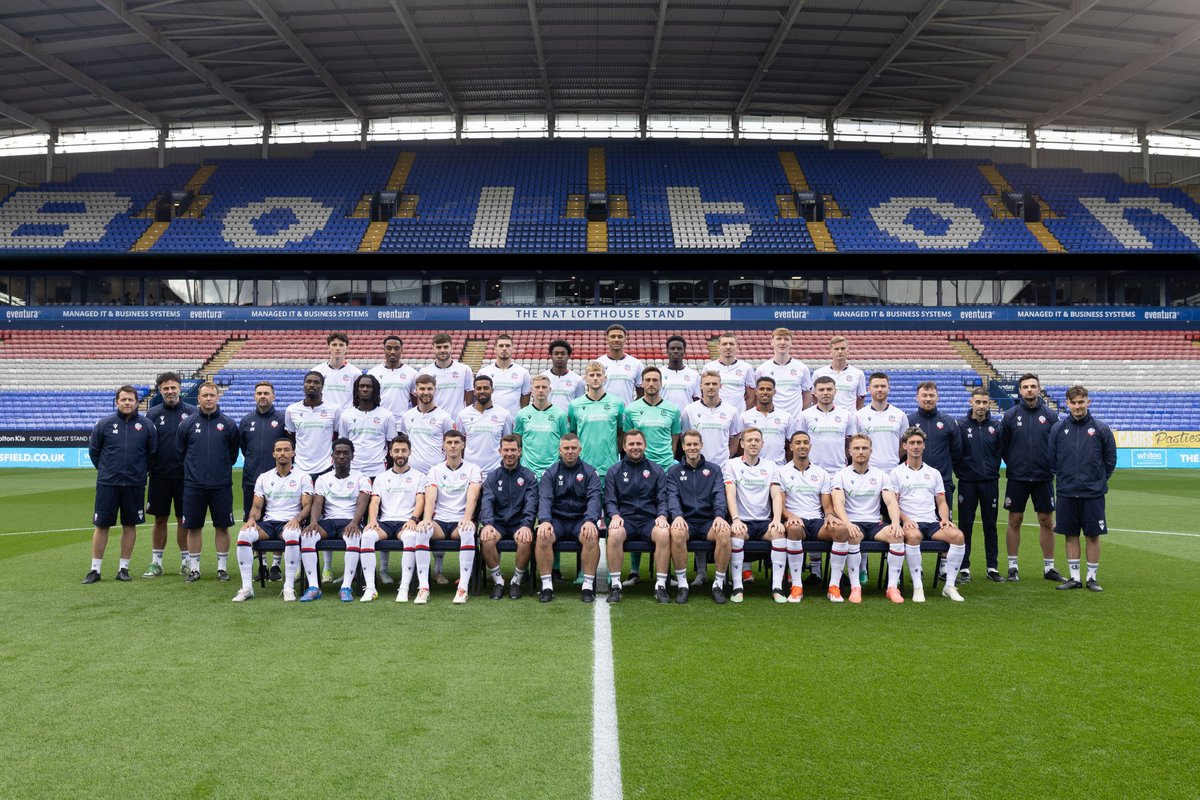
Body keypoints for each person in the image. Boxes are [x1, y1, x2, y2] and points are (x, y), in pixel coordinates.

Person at [83, 385, 156, 584]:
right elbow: (94, 452)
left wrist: (139, 472)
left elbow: (152, 454)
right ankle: (95, 569)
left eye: (130, 400)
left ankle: (123, 568)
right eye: (123, 400)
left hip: (134, 484)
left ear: (136, 403)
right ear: (117, 402)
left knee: (129, 525)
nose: (126, 403)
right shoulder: (104, 424)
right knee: (102, 524)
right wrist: (107, 470)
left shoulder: (147, 426)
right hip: (108, 483)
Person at [1048, 386, 1116, 592]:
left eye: (1081, 402)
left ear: (1088, 402)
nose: (1077, 406)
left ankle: (1092, 577)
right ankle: (1075, 577)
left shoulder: (1101, 429)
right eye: (1073, 402)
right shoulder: (1058, 429)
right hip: (1067, 492)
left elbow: (1110, 460)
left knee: (1092, 535)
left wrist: (1097, 480)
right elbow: (1052, 459)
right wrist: (1066, 478)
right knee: (1070, 535)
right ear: (1067, 404)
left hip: (1092, 493)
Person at [889, 427, 967, 602]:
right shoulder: (896, 473)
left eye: (919, 443)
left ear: (924, 446)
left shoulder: (933, 473)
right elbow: (892, 503)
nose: (915, 446)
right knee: (914, 536)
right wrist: (905, 520)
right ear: (905, 446)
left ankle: (949, 586)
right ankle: (918, 587)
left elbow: (941, 501)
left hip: (931, 523)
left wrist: (945, 520)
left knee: (958, 536)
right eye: (911, 443)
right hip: (910, 523)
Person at [620, 365, 681, 587]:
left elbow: (674, 440)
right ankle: (634, 571)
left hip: (664, 469)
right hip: (638, 469)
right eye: (648, 380)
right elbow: (627, 439)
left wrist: (666, 462)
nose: (652, 384)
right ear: (642, 383)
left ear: (661, 383)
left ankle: (668, 572)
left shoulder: (673, 410)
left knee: (668, 519)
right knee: (637, 513)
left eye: (655, 380)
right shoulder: (631, 409)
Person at [1000, 373, 1064, 582]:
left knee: (1046, 520)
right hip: (1017, 477)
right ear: (1020, 390)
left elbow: (1056, 446)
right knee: (1014, 519)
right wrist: (1016, 464)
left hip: (1043, 477)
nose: (1029, 390)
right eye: (1025, 386)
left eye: (1033, 386)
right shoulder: (1010, 416)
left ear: (1039, 389)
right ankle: (1012, 566)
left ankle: (1049, 567)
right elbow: (1004, 446)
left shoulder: (1051, 416)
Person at [828, 434, 906, 604]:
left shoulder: (881, 475)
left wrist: (895, 523)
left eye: (864, 448)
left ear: (871, 451)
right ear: (849, 451)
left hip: (874, 523)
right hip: (853, 522)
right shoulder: (840, 475)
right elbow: (838, 503)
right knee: (853, 535)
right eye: (856, 448)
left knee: (897, 535)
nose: (861, 451)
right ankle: (856, 587)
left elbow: (891, 501)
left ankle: (892, 587)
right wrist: (847, 523)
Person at [232, 438, 312, 602]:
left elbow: (307, 505)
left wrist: (297, 519)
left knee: (291, 534)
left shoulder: (303, 477)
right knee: (244, 535)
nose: (282, 453)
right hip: (269, 523)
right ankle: (247, 587)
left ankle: (288, 587)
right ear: (274, 453)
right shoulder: (264, 477)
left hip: (290, 522)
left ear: (293, 452)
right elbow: (256, 507)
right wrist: (251, 520)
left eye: (286, 449)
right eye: (279, 450)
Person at [797, 374, 858, 579]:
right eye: (821, 390)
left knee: (840, 519)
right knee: (816, 518)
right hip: (812, 473)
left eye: (829, 389)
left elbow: (850, 444)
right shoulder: (805, 415)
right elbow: (799, 443)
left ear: (835, 391)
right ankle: (815, 569)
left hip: (837, 474)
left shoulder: (846, 416)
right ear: (814, 392)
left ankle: (848, 572)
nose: (825, 393)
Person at [177, 382, 239, 583]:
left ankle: (221, 569)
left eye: (212, 395)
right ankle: (194, 569)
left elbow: (232, 455)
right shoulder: (187, 424)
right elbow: (181, 453)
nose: (209, 398)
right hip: (194, 485)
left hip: (221, 485)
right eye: (205, 395)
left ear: (218, 397)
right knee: (193, 527)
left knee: (222, 527)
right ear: (199, 398)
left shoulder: (228, 424)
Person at [603, 430, 670, 603]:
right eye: (631, 444)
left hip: (650, 520)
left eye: (639, 444)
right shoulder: (614, 471)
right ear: (624, 447)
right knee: (615, 532)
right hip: (626, 520)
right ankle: (616, 586)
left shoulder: (656, 470)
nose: (635, 447)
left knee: (663, 533)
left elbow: (663, 498)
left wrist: (662, 515)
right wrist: (615, 515)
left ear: (645, 445)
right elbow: (609, 500)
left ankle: (661, 585)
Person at [666, 430, 733, 603]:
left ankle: (718, 584)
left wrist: (719, 516)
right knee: (677, 533)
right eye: (688, 444)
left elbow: (719, 495)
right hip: (686, 520)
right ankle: (682, 585)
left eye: (695, 444)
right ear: (683, 447)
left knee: (724, 532)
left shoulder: (714, 470)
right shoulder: (674, 471)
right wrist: (678, 516)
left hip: (708, 522)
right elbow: (672, 497)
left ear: (701, 445)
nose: (692, 447)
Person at [535, 434, 602, 603]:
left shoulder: (590, 472)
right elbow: (545, 499)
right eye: (566, 448)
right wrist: (545, 521)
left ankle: (587, 585)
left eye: (573, 448)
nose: (570, 451)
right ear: (560, 450)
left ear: (580, 450)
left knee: (592, 535)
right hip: (557, 520)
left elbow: (594, 499)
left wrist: (590, 520)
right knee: (543, 535)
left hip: (580, 520)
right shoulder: (550, 473)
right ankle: (546, 585)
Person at [303, 439, 371, 602]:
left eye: (346, 453)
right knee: (307, 537)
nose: (341, 456)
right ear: (332, 456)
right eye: (338, 453)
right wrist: (313, 522)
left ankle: (346, 587)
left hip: (350, 520)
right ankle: (314, 587)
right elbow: (318, 503)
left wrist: (355, 522)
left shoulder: (362, 478)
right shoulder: (322, 479)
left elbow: (363, 502)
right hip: (329, 522)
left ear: (352, 456)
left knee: (354, 537)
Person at [722, 428, 785, 603]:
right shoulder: (732, 464)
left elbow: (776, 495)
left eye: (757, 440)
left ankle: (777, 587)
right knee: (737, 533)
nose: (753, 443)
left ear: (762, 444)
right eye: (749, 440)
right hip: (742, 521)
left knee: (779, 533)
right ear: (742, 444)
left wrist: (777, 520)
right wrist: (735, 519)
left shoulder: (771, 466)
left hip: (764, 522)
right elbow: (730, 494)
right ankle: (737, 586)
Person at [142, 371, 195, 578]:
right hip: (159, 476)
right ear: (160, 391)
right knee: (159, 519)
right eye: (166, 388)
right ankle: (156, 563)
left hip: (185, 477)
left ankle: (186, 561)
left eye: (173, 387)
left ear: (180, 388)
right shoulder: (153, 414)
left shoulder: (191, 412)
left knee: (184, 519)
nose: (170, 391)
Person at [420, 430, 482, 604]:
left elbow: (473, 496)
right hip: (440, 523)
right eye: (449, 442)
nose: (453, 446)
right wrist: (426, 519)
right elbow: (430, 497)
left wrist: (467, 518)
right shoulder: (435, 470)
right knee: (422, 531)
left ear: (463, 445)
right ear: (443, 446)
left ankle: (462, 588)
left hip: (459, 522)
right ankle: (423, 587)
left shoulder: (473, 469)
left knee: (468, 531)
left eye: (456, 442)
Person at [365, 434, 428, 604]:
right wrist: (372, 521)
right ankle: (370, 588)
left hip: (405, 522)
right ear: (390, 453)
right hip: (385, 522)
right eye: (396, 451)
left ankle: (404, 588)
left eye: (403, 450)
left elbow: (421, 499)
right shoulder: (381, 477)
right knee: (367, 536)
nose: (400, 454)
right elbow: (375, 501)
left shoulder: (419, 476)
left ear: (409, 452)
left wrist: (414, 519)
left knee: (410, 537)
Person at [237, 380, 287, 580]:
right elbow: (242, 447)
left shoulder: (282, 419)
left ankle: (276, 565)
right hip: (252, 479)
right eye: (259, 393)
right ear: (254, 397)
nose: (262, 396)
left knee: (278, 519)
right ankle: (262, 564)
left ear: (273, 396)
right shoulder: (246, 421)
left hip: (279, 481)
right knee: (254, 522)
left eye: (266, 393)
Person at [479, 434, 538, 600]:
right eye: (506, 450)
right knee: (487, 538)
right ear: (500, 451)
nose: (509, 454)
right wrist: (488, 524)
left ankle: (516, 581)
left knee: (526, 539)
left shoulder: (529, 477)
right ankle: (498, 582)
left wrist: (527, 524)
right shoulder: (492, 477)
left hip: (519, 524)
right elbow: (487, 503)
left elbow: (531, 504)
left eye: (513, 450)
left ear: (520, 451)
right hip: (497, 524)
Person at [775, 431, 831, 603]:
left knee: (842, 531)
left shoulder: (821, 473)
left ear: (810, 446)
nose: (802, 446)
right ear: (791, 446)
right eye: (797, 443)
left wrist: (829, 515)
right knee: (793, 528)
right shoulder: (781, 472)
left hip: (816, 520)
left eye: (805, 442)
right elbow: (780, 504)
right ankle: (797, 585)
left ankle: (834, 586)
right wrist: (790, 515)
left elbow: (827, 505)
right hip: (794, 519)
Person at [958, 387, 1002, 582]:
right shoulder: (961, 425)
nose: (982, 406)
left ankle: (992, 567)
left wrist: (992, 469)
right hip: (967, 483)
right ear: (971, 402)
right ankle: (964, 567)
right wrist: (963, 472)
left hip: (990, 483)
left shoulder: (996, 426)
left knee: (990, 525)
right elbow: (956, 453)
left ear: (989, 403)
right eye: (978, 402)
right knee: (965, 526)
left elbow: (1001, 450)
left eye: (985, 402)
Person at [906, 381, 961, 534]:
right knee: (912, 527)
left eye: (931, 395)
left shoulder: (948, 422)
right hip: (913, 484)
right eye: (924, 395)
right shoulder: (908, 421)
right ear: (917, 397)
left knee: (945, 526)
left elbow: (957, 452)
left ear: (938, 397)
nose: (928, 399)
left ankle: (944, 558)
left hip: (942, 482)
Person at [568, 361, 625, 484]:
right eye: (592, 375)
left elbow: (621, 434)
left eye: (598, 375)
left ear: (605, 378)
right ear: (585, 378)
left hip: (609, 466)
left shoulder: (617, 403)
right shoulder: (575, 405)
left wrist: (613, 453)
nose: (595, 378)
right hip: (583, 466)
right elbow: (573, 434)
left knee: (609, 502)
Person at [338, 374, 397, 479]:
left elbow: (391, 446)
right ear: (357, 389)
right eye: (361, 386)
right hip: (353, 470)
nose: (365, 389)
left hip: (378, 471)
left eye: (369, 386)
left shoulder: (387, 416)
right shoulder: (346, 416)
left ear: (375, 390)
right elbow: (343, 445)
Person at [285, 371, 341, 481]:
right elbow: (290, 438)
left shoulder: (334, 409)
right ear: (304, 385)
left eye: (316, 382)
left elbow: (338, 436)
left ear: (322, 386)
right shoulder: (292, 410)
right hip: (300, 468)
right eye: (308, 382)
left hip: (326, 467)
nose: (312, 385)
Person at [681, 370, 743, 469]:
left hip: (722, 468)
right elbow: (684, 438)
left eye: (714, 384)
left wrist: (725, 460)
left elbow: (734, 441)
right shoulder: (689, 410)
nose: (711, 387)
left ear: (720, 386)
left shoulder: (732, 411)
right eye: (707, 384)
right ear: (701, 386)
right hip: (696, 467)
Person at [458, 375, 514, 479]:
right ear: (474, 391)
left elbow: (508, 445)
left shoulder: (504, 415)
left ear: (492, 390)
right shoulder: (463, 415)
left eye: (486, 388)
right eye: (478, 388)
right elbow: (458, 443)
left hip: (496, 473)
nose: (482, 391)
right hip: (470, 473)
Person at [514, 373, 569, 480]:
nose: (540, 390)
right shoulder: (521, 414)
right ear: (531, 390)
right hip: (527, 469)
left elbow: (565, 441)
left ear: (550, 389)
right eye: (537, 387)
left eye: (544, 387)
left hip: (553, 470)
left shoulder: (560, 415)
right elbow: (517, 440)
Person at [755, 327, 813, 418]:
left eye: (786, 339)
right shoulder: (762, 369)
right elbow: (757, 396)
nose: (782, 342)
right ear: (772, 342)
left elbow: (808, 396)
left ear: (791, 343)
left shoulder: (802, 368)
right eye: (778, 339)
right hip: (771, 420)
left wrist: (799, 415)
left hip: (795, 422)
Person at [855, 372, 907, 472]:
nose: (880, 389)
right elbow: (854, 444)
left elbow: (904, 445)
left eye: (883, 386)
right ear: (869, 389)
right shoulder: (859, 416)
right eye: (876, 386)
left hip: (893, 471)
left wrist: (893, 459)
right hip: (868, 472)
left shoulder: (900, 415)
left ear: (889, 388)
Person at [742, 376, 798, 466]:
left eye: (768, 389)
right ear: (756, 391)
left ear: (774, 392)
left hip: (778, 467)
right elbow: (740, 445)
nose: (765, 392)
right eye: (761, 389)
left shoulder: (786, 417)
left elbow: (790, 446)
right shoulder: (745, 417)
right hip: (752, 468)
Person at [477, 333, 531, 419]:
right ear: (495, 349)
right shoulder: (483, 372)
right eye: (501, 346)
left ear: (512, 348)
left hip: (514, 420)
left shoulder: (523, 373)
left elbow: (525, 402)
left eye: (507, 346)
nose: (504, 348)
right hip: (490, 420)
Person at [368, 334, 418, 427]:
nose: (392, 351)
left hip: (402, 424)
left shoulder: (412, 373)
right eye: (389, 348)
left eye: (396, 348)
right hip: (378, 423)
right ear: (384, 350)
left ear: (401, 350)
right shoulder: (373, 373)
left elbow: (416, 401)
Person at [418, 332, 473, 417]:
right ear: (433, 348)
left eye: (446, 347)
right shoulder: (424, 372)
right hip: (434, 421)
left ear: (451, 347)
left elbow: (469, 396)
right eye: (439, 347)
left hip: (457, 421)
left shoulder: (464, 370)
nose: (442, 350)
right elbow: (420, 399)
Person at [812, 335, 867, 411]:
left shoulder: (858, 374)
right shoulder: (819, 373)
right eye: (836, 349)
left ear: (848, 350)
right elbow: (814, 397)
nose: (840, 351)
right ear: (831, 351)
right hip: (826, 418)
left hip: (849, 419)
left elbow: (861, 400)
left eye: (843, 348)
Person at [703, 332, 755, 409]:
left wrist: (743, 414)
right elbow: (704, 393)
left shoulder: (747, 368)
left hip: (738, 416)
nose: (728, 347)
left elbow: (751, 396)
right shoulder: (709, 367)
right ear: (718, 348)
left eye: (731, 344)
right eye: (724, 344)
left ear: (737, 347)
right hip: (716, 415)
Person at [595, 323, 643, 406]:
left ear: (625, 339)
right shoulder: (598, 363)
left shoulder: (636, 364)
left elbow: (642, 394)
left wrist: (632, 408)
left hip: (626, 415)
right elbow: (592, 392)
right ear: (607, 339)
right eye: (613, 336)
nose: (616, 339)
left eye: (620, 337)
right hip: (604, 415)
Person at [311, 331, 361, 410]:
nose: (337, 348)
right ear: (328, 347)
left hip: (346, 417)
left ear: (347, 348)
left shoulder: (355, 373)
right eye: (334, 345)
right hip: (324, 416)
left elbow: (358, 398)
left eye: (341, 345)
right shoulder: (317, 371)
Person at [661, 334, 700, 413]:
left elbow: (697, 400)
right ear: (667, 351)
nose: (676, 351)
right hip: (664, 419)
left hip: (686, 419)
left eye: (679, 349)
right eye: (672, 348)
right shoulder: (659, 373)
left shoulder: (694, 375)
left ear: (684, 351)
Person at [543, 338, 585, 412]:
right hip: (547, 422)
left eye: (563, 353)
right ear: (551, 356)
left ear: (568, 356)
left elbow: (580, 405)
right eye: (556, 353)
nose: (559, 356)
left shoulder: (577, 380)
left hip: (568, 422)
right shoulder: (543, 378)